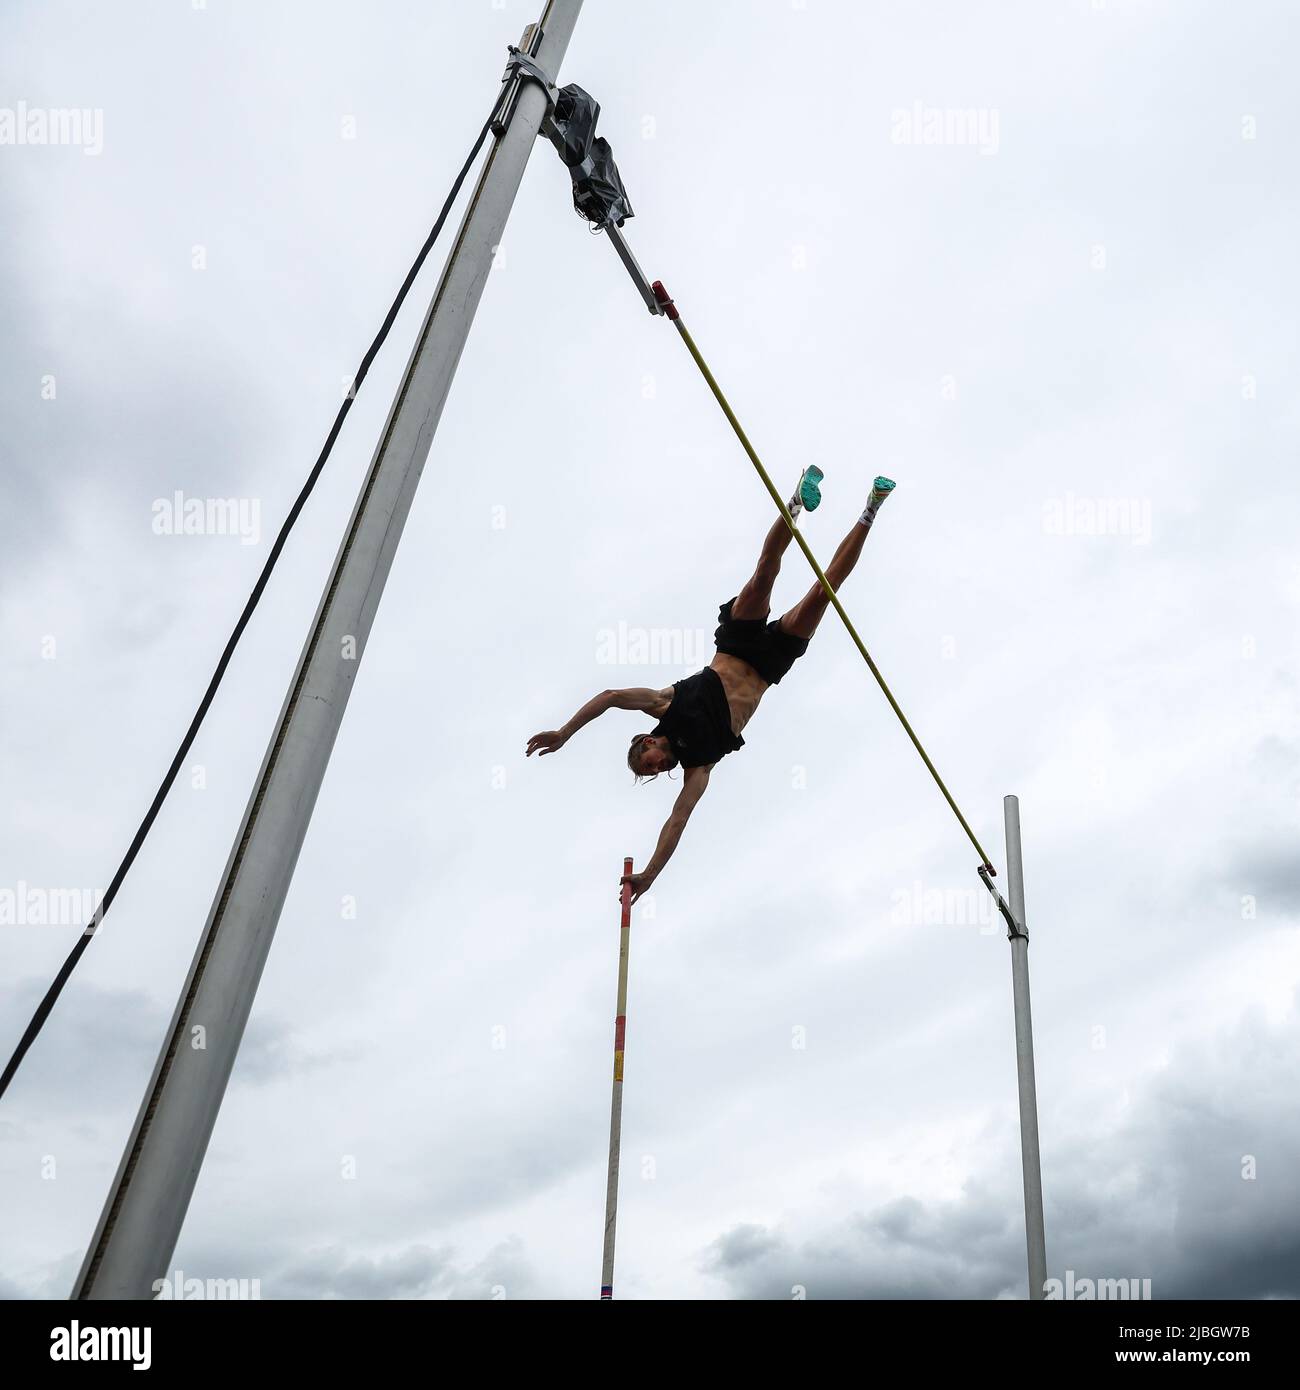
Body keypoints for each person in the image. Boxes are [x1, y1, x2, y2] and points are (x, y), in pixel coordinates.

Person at [526, 470, 895, 902]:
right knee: (824, 590)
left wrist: (564, 733)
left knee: (763, 576)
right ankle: (871, 507)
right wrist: (648, 875)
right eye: (654, 773)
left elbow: (609, 698)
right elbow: (677, 821)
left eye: (649, 762)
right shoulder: (698, 768)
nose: (659, 768)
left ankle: (795, 501)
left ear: (647, 741)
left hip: (737, 642)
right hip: (768, 667)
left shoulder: (662, 705)